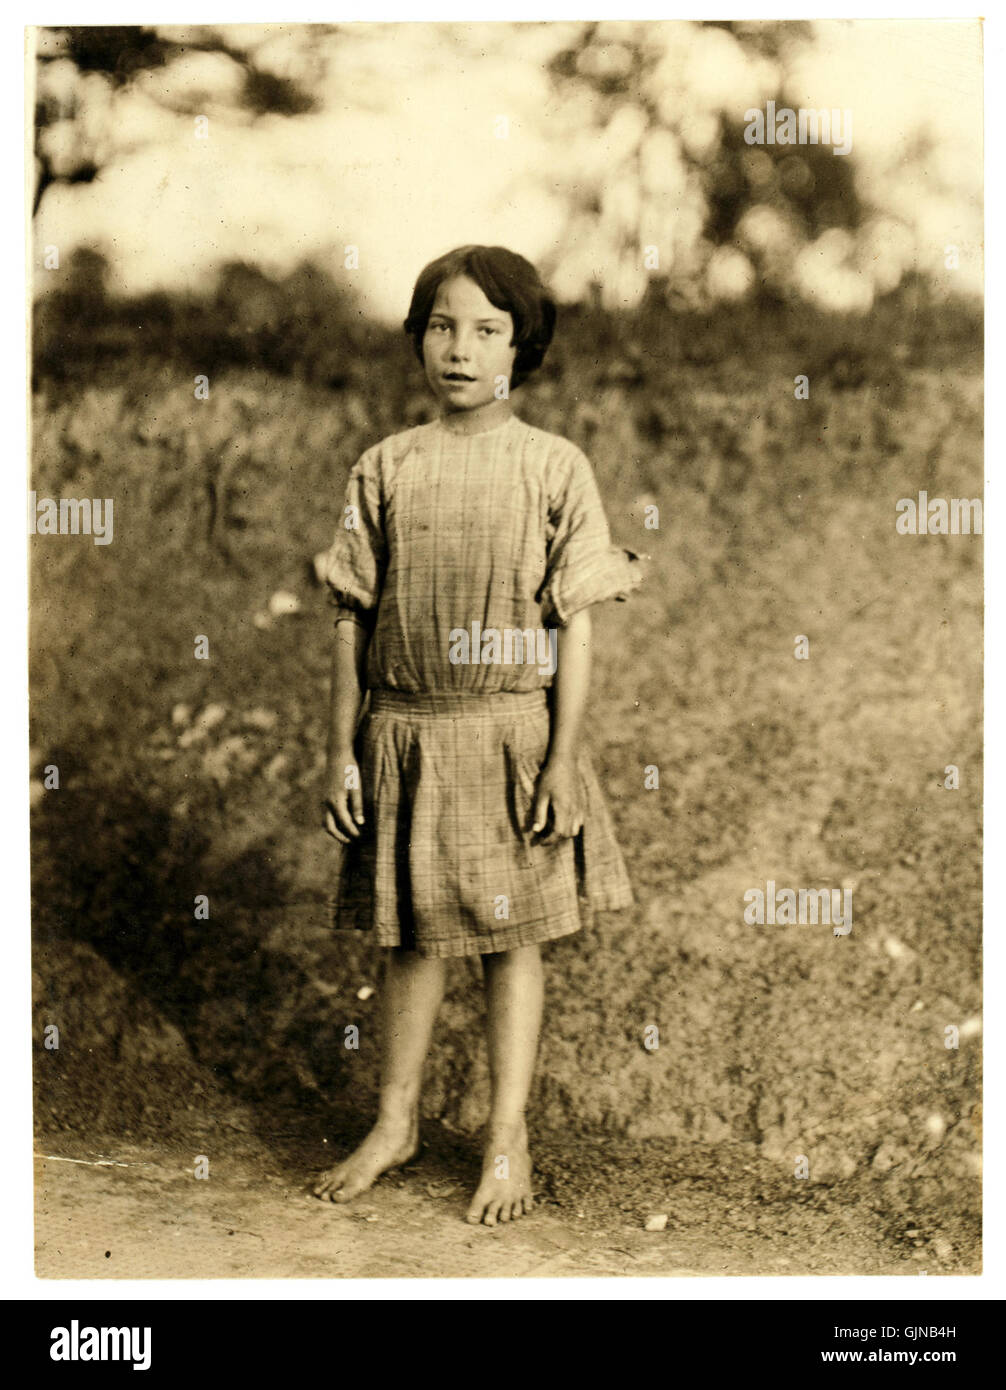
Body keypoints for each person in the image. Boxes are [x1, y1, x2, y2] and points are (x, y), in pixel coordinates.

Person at [313, 245, 645, 1225]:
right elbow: (350, 620)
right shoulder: (384, 465)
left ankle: (507, 1138)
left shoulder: (553, 466)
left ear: (522, 344)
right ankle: (395, 1121)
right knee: (409, 939)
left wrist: (560, 757)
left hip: (509, 735)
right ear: (419, 336)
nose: (461, 349)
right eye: (443, 325)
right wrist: (340, 749)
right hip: (405, 734)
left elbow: (574, 622)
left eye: (488, 330)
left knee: (513, 941)